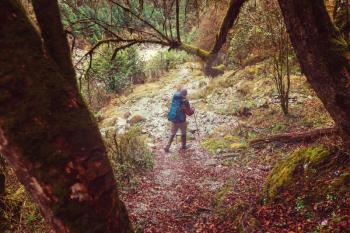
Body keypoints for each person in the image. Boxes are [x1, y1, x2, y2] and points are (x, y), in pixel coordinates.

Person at [165, 87, 195, 152]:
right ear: (185, 94)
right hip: (182, 120)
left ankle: (167, 146)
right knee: (183, 133)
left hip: (174, 119)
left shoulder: (175, 98)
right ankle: (183, 146)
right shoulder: (185, 101)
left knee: (172, 133)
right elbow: (189, 113)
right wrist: (193, 110)